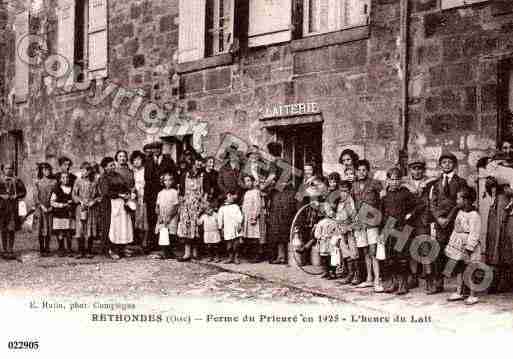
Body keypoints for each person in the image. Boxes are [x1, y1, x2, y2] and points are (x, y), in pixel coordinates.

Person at [428, 151, 468, 294]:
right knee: (438, 252)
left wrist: (449, 218)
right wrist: (438, 218)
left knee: (456, 252)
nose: (447, 165)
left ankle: (460, 285)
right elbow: (432, 203)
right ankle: (438, 283)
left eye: (450, 162)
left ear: (455, 165)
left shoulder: (461, 182)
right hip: (440, 223)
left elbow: (460, 203)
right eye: (444, 162)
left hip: (455, 222)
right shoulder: (436, 183)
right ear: (440, 165)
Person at [401, 156, 436, 290]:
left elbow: (429, 201)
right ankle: (413, 276)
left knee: (424, 247)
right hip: (409, 220)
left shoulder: (428, 183)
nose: (417, 172)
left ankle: (429, 278)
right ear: (410, 170)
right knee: (410, 248)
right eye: (414, 169)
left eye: (420, 169)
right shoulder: (405, 184)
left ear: (423, 170)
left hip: (422, 220)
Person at [483, 141, 513, 293]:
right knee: (496, 239)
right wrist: (491, 183)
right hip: (499, 205)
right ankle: (495, 279)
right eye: (505, 148)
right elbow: (489, 186)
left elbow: (509, 188)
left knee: (509, 238)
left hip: (511, 205)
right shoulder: (495, 165)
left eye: (511, 147)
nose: (508, 151)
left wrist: (508, 186)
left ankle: (508, 280)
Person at [380, 167, 415, 295]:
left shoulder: (405, 193)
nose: (394, 182)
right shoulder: (384, 195)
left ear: (400, 180)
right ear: (387, 180)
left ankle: (403, 284)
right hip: (389, 228)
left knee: (402, 258)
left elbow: (418, 205)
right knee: (390, 258)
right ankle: (393, 283)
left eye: (397, 179)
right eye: (392, 179)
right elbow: (381, 211)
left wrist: (410, 215)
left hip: (403, 228)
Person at [445, 186, 481, 305]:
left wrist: (469, 248)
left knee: (471, 270)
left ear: (466, 200)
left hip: (468, 247)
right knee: (459, 269)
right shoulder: (460, 212)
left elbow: (474, 233)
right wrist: (453, 243)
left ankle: (473, 295)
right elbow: (456, 228)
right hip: (458, 245)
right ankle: (459, 291)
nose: (456, 201)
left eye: (458, 199)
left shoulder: (474, 215)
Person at [352, 159, 383, 292]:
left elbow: (382, 201)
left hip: (372, 221)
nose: (361, 172)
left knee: (373, 251)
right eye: (359, 170)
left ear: (368, 171)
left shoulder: (375, 184)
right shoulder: (353, 185)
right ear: (356, 171)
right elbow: (352, 204)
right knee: (365, 251)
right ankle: (369, 278)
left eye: (364, 170)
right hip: (360, 223)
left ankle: (377, 280)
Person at [143, 141, 177, 254]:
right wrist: (145, 198)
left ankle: (167, 246)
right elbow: (146, 181)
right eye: (154, 149)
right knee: (152, 219)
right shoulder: (148, 161)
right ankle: (153, 243)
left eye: (158, 148)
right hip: (152, 196)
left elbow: (174, 176)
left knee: (166, 218)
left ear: (161, 149)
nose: (156, 150)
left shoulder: (168, 160)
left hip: (165, 194)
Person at [98, 156, 133, 260]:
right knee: (112, 227)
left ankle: (121, 248)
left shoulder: (118, 175)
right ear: (105, 168)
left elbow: (125, 187)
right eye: (110, 165)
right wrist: (120, 195)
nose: (113, 167)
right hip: (110, 205)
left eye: (114, 165)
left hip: (120, 204)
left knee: (121, 226)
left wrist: (127, 193)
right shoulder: (104, 178)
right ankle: (110, 250)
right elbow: (106, 192)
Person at [177, 157, 206, 261]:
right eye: (198, 161)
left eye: (201, 162)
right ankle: (187, 253)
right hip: (187, 205)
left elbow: (206, 191)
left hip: (198, 205)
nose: (199, 163)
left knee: (197, 228)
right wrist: (181, 204)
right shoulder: (185, 174)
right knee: (186, 228)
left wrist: (203, 204)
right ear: (193, 162)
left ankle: (195, 252)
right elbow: (181, 191)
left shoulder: (203, 175)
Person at [72, 162, 100, 259]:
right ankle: (80, 250)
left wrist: (94, 201)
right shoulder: (78, 181)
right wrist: (80, 201)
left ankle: (89, 250)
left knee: (90, 228)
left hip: (91, 208)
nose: (83, 172)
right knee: (80, 229)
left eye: (85, 170)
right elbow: (74, 194)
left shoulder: (95, 182)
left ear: (89, 171)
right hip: (81, 208)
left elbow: (99, 195)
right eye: (82, 170)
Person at [0, 163, 27, 260]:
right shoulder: (0, 180)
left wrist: (17, 195)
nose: (8, 170)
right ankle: (4, 250)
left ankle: (10, 249)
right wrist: (2, 195)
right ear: (3, 169)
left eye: (10, 168)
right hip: (2, 209)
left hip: (12, 209)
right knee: (3, 229)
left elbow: (24, 191)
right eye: (6, 168)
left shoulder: (17, 180)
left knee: (11, 229)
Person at [335, 180, 359, 285]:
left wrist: (348, 228)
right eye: (341, 191)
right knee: (346, 253)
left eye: (345, 191)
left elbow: (356, 220)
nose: (343, 193)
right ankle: (350, 274)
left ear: (349, 191)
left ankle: (356, 275)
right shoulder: (340, 202)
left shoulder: (350, 203)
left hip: (350, 232)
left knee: (354, 253)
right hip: (341, 231)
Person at [33, 162, 57, 257]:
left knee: (48, 228)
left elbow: (55, 195)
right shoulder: (37, 182)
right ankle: (41, 247)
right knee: (40, 228)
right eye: (44, 170)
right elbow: (35, 196)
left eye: (48, 169)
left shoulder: (54, 182)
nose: (46, 171)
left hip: (49, 208)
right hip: (40, 209)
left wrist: (52, 206)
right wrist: (40, 205)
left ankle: (47, 247)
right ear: (41, 171)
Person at [241, 174, 266, 263]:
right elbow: (244, 206)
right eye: (245, 181)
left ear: (252, 181)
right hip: (247, 217)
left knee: (256, 236)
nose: (247, 183)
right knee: (249, 237)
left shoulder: (256, 192)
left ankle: (258, 255)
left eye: (248, 181)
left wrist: (254, 216)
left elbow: (258, 205)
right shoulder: (247, 193)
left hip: (253, 217)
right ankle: (251, 255)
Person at [155, 173, 179, 259]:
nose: (168, 182)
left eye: (170, 180)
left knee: (171, 233)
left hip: (171, 216)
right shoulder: (160, 193)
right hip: (162, 215)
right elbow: (157, 206)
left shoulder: (174, 192)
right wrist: (160, 216)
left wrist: (170, 217)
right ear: (163, 182)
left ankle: (170, 252)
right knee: (163, 233)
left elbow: (176, 206)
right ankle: (165, 252)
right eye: (165, 180)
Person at [314, 202, 340, 279]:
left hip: (332, 243)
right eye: (328, 211)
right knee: (324, 259)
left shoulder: (335, 222)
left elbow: (338, 232)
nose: (330, 213)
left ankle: (333, 272)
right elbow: (317, 234)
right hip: (324, 244)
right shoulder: (321, 223)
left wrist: (336, 238)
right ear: (324, 213)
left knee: (333, 258)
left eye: (332, 211)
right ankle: (326, 271)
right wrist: (321, 237)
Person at [51, 172, 75, 257]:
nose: (66, 179)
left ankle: (69, 248)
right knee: (60, 231)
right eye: (63, 178)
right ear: (60, 179)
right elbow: (52, 202)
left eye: (67, 178)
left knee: (68, 232)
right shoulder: (57, 189)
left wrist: (72, 202)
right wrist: (62, 205)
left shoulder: (72, 188)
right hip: (59, 213)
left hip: (69, 213)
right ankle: (61, 248)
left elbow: (74, 198)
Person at [218, 190, 244, 264]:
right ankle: (230, 257)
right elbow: (220, 219)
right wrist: (221, 228)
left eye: (231, 195)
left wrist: (239, 223)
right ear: (225, 199)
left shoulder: (236, 206)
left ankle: (236, 257)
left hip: (235, 227)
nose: (231, 197)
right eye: (229, 196)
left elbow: (239, 216)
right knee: (229, 245)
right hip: (227, 228)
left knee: (236, 244)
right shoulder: (222, 208)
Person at [131, 151, 148, 248]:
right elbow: (133, 184)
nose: (136, 162)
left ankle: (145, 241)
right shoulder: (133, 171)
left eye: (138, 159)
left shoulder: (145, 170)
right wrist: (133, 191)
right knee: (137, 218)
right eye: (134, 160)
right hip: (136, 197)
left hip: (144, 196)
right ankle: (139, 239)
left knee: (144, 218)